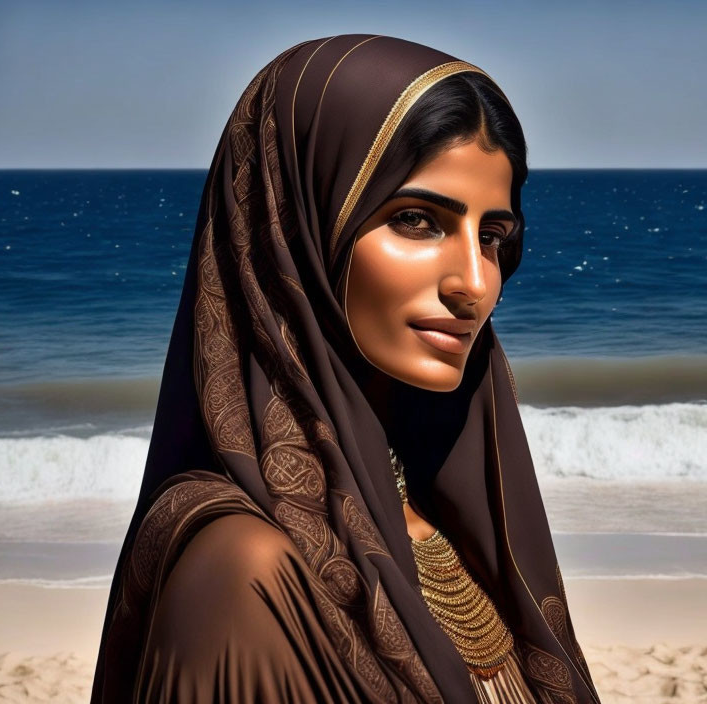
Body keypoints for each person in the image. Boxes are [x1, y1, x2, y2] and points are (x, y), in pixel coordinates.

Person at [91, 34, 600, 703]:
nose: (475, 283)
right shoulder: (244, 575)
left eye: (492, 237)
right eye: (418, 220)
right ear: (296, 229)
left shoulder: (453, 515)